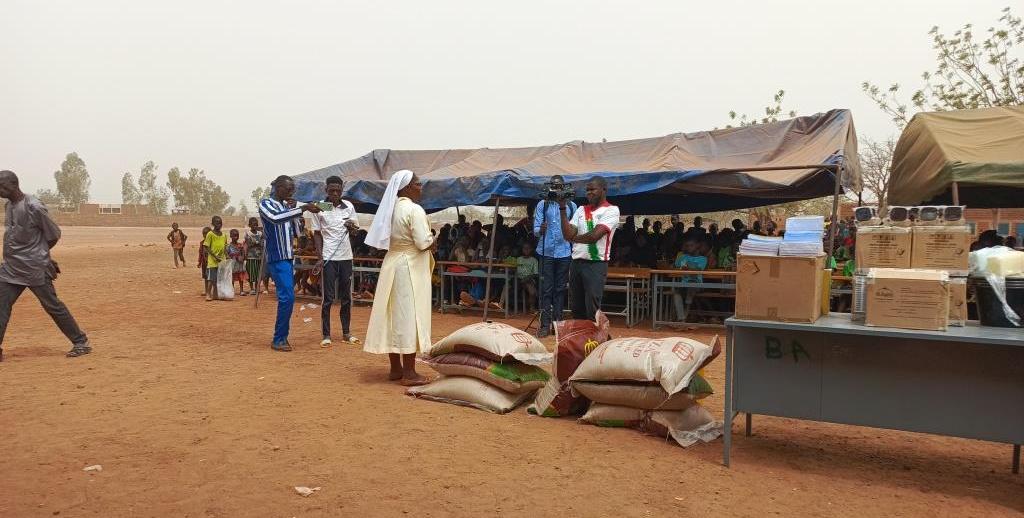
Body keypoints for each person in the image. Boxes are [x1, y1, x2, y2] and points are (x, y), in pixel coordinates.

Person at [0, 170, 91, 360]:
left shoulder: (34, 206)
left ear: (14, 184)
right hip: (11, 269)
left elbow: (53, 234)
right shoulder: (9, 206)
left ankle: (80, 342)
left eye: (2, 186)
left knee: (53, 306)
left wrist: (41, 255)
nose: (0, 190)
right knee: (1, 305)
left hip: (35, 268)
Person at [363, 170, 434, 385]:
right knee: (409, 315)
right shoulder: (414, 210)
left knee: (391, 314)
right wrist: (433, 240)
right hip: (409, 267)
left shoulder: (389, 210)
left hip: (391, 263)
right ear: (406, 187)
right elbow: (423, 242)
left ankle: (395, 368)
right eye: (417, 184)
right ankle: (409, 372)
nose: (421, 187)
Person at [259, 175, 321, 352]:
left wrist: (296, 215)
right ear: (278, 188)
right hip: (277, 256)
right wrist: (302, 209)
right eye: (288, 188)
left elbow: (297, 232)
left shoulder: (286, 207)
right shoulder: (266, 203)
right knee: (287, 296)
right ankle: (279, 339)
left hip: (288, 256)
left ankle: (280, 337)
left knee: (287, 297)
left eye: (292, 189)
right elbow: (276, 218)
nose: (291, 191)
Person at [559, 176, 620, 321]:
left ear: (603, 190)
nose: (588, 193)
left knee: (592, 308)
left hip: (596, 264)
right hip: (576, 263)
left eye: (592, 189)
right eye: (587, 190)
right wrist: (562, 208)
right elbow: (567, 233)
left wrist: (572, 238)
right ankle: (583, 342)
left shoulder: (611, 210)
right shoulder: (581, 210)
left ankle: (596, 341)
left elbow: (594, 237)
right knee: (576, 307)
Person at [311, 175, 360, 348]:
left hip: (346, 257)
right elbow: (316, 233)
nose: (334, 193)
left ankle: (346, 333)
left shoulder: (349, 207)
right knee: (328, 298)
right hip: (329, 258)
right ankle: (326, 335)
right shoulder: (320, 207)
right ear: (326, 190)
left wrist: (352, 228)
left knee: (346, 297)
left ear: (341, 191)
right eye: (331, 190)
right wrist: (320, 257)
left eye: (337, 190)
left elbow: (355, 231)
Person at [533, 175, 577, 337]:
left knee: (560, 289)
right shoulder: (542, 204)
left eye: (559, 187)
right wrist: (541, 230)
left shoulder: (571, 205)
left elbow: (574, 229)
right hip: (546, 252)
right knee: (546, 289)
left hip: (564, 252)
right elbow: (535, 229)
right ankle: (545, 324)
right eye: (554, 186)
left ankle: (558, 324)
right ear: (550, 187)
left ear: (564, 188)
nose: (557, 189)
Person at [202, 216, 228, 301]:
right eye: (217, 223)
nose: (219, 225)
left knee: (219, 278)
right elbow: (207, 247)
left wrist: (227, 257)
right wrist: (214, 256)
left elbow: (225, 247)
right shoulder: (210, 234)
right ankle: (208, 294)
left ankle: (216, 294)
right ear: (213, 224)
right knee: (211, 278)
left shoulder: (224, 235)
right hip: (212, 261)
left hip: (221, 260)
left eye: (220, 223)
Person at [244, 217, 268, 295]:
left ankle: (257, 288)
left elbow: (262, 242)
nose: (255, 226)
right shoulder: (248, 234)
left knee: (258, 273)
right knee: (251, 273)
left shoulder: (260, 233)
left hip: (259, 257)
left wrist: (256, 243)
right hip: (251, 257)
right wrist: (257, 243)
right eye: (253, 225)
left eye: (256, 225)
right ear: (249, 225)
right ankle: (252, 288)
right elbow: (249, 244)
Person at [516, 242, 540, 314]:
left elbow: (535, 274)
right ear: (522, 249)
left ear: (531, 250)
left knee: (532, 291)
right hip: (518, 279)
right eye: (524, 248)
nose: (526, 250)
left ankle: (531, 307)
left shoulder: (534, 260)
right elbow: (515, 270)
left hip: (529, 279)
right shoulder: (518, 259)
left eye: (528, 248)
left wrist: (527, 277)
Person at [227, 229, 247, 296]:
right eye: (234, 236)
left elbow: (243, 253)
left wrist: (242, 257)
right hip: (232, 264)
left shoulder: (240, 245)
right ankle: (232, 290)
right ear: (230, 236)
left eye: (237, 236)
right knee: (232, 277)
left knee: (240, 277)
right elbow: (227, 254)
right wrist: (230, 258)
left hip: (240, 264)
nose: (236, 237)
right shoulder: (229, 246)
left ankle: (241, 290)